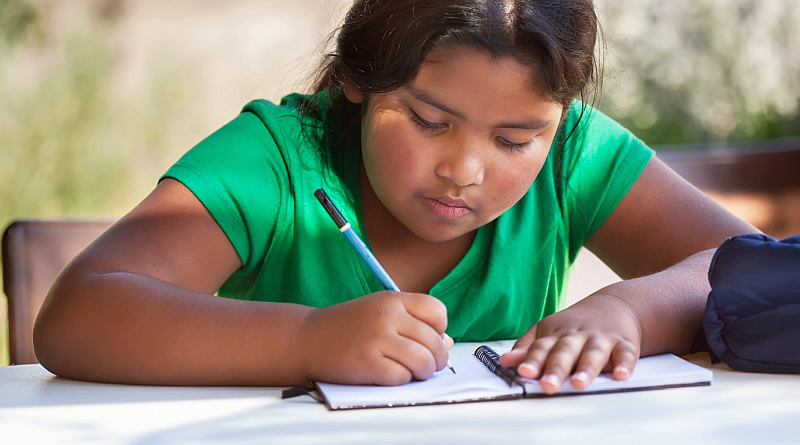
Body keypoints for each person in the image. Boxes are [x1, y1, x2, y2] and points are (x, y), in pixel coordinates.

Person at [33, 0, 756, 394]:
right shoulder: (280, 160)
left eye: (514, 140)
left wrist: (629, 308)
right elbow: (78, 315)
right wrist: (305, 342)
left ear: (559, 122)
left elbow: (759, 272)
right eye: (428, 120)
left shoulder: (575, 156)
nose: (465, 169)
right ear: (360, 77)